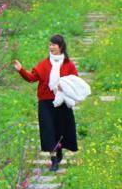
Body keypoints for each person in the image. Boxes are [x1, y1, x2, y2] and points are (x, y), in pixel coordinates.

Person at [14, 34, 79, 172]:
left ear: (60, 47)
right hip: (45, 103)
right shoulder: (44, 64)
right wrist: (21, 70)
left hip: (62, 103)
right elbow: (31, 78)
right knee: (48, 131)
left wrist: (65, 86)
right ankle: (54, 159)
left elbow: (75, 81)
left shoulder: (68, 64)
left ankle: (60, 150)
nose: (51, 47)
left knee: (61, 130)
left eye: (53, 45)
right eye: (50, 44)